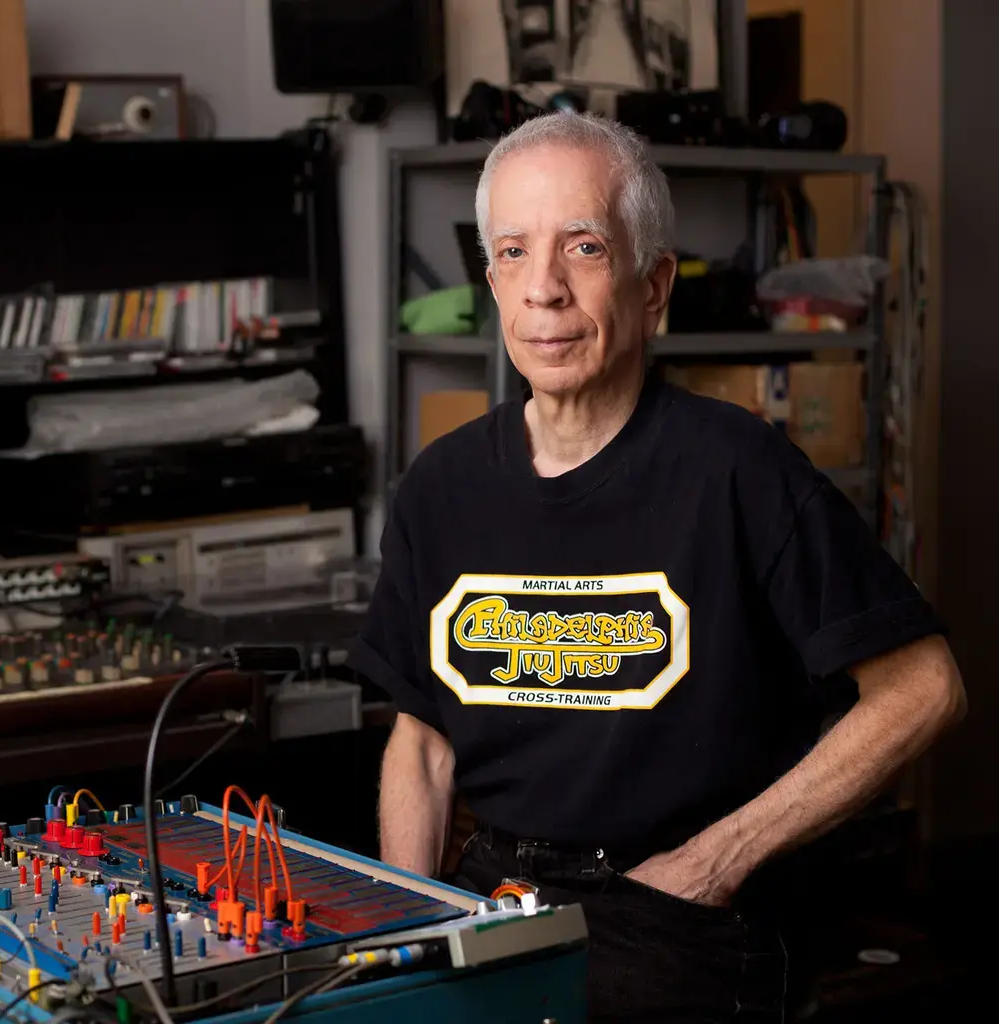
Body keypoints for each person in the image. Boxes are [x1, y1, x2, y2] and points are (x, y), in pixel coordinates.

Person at [349, 111, 965, 1022]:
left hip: (676, 915)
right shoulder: (441, 487)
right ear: (491, 283)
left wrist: (714, 862)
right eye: (514, 252)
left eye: (585, 247)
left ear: (654, 286)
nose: (544, 290)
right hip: (493, 900)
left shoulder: (739, 470)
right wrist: (409, 930)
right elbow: (425, 741)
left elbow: (925, 688)